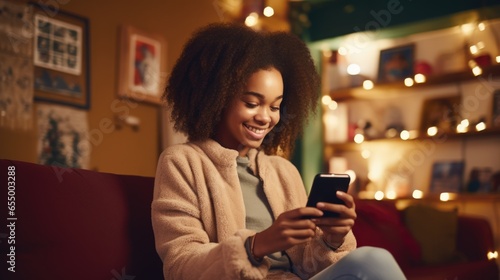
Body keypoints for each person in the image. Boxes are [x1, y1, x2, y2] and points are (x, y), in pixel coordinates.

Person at [151, 22, 406, 280]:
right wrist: (257, 245)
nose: (265, 118)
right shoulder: (182, 162)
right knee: (373, 260)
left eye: (275, 107)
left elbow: (308, 266)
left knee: (370, 260)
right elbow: (179, 266)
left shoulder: (283, 171)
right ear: (216, 97)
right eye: (252, 103)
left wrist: (333, 238)